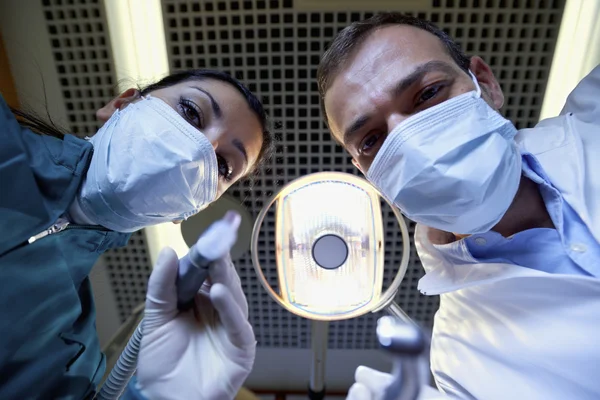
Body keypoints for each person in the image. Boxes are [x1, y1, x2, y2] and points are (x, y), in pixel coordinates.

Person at [317, 12, 600, 400]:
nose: (410, 142)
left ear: (484, 84)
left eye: (428, 94)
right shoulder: (460, 365)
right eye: (371, 140)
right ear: (369, 175)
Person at [0, 69, 273, 399]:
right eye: (191, 112)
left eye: (222, 165)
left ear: (195, 208)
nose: (196, 152)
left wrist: (160, 394)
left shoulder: (70, 353)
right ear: (120, 105)